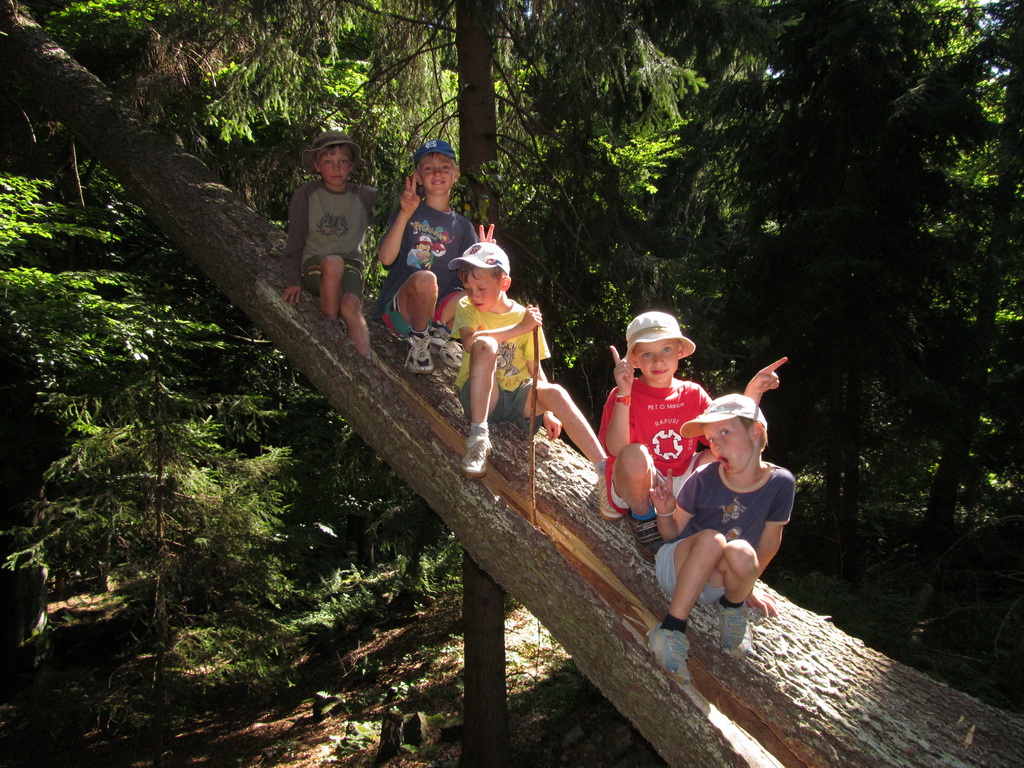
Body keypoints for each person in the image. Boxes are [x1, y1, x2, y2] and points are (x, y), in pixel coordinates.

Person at [597, 311, 786, 559]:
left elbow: (729, 432)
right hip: (639, 482)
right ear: (634, 359)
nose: (658, 361)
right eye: (647, 354)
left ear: (679, 351)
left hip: (680, 480)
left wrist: (753, 393)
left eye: (666, 349)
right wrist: (624, 392)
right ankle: (644, 521)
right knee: (633, 453)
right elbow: (616, 448)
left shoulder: (692, 393)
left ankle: (702, 521)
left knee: (719, 456)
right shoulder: (623, 393)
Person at [645, 394, 795, 684]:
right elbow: (672, 534)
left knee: (742, 551)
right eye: (711, 439)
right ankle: (671, 628)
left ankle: (732, 607)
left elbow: (769, 543)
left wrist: (747, 582)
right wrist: (664, 512)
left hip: (717, 582)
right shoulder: (704, 477)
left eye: (724, 433)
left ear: (755, 432)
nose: (716, 445)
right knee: (713, 539)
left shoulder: (780, 483)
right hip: (677, 567)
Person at [450, 242, 607, 478]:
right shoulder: (468, 307)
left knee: (556, 392)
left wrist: (548, 412)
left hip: (518, 399)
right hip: (482, 399)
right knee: (485, 344)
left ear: (504, 284)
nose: (474, 295)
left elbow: (535, 368)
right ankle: (478, 437)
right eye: (468, 288)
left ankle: (604, 469)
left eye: (481, 288)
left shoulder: (525, 316)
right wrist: (520, 328)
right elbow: (471, 342)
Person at [372, 139, 478, 374]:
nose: (437, 172)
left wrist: (487, 260)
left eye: (444, 167)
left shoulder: (463, 226)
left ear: (456, 174)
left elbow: (473, 278)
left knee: (480, 289)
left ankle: (439, 336)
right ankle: (419, 339)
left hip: (438, 315)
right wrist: (405, 213)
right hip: (402, 310)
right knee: (426, 278)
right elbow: (386, 258)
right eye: (429, 168)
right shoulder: (409, 211)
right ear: (418, 177)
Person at [281, 131, 377, 360]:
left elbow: (400, 201)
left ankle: (366, 362)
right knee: (333, 263)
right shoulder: (307, 194)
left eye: (343, 161)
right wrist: (293, 279)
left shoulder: (364, 196)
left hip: (351, 265)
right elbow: (295, 239)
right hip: (317, 265)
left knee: (351, 305)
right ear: (317, 166)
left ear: (351, 165)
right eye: (328, 162)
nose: (336, 168)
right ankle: (331, 325)